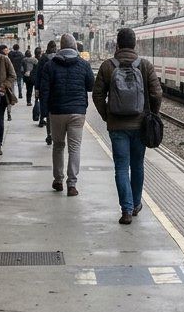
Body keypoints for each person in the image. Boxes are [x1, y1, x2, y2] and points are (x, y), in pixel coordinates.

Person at [93, 27, 163, 225]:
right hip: (140, 126)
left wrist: (107, 115)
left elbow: (97, 95)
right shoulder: (145, 66)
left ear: (117, 44)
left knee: (121, 168)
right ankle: (136, 204)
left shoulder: (108, 66)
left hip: (117, 127)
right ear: (134, 44)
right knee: (137, 165)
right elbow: (157, 94)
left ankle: (126, 209)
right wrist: (152, 115)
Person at [40, 32, 96, 196]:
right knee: (74, 148)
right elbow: (91, 86)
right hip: (77, 112)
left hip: (56, 112)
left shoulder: (49, 65)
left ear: (61, 47)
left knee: (58, 146)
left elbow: (44, 90)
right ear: (75, 47)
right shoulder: (83, 65)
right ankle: (72, 184)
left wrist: (44, 112)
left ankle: (58, 180)